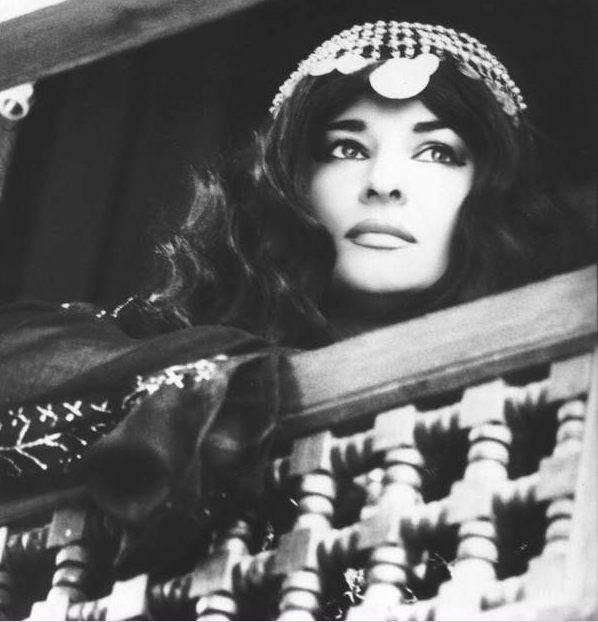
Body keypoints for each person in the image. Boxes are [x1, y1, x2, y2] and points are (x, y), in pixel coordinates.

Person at [0, 20, 591, 535]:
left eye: (437, 152)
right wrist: (244, 381)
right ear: (291, 183)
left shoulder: (546, 417)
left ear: (490, 192)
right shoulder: (172, 340)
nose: (383, 182)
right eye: (346, 148)